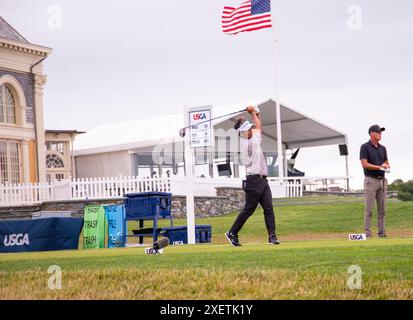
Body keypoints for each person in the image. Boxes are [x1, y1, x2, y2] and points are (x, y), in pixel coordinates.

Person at [225, 105, 280, 246]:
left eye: (250, 128)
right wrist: (254, 113)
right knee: (248, 210)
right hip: (253, 181)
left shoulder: (252, 138)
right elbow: (258, 127)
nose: (250, 130)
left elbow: (257, 126)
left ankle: (272, 236)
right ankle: (232, 233)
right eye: (247, 129)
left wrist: (256, 113)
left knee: (268, 208)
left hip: (262, 180)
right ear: (242, 133)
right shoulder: (248, 144)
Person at [360, 124, 390, 238]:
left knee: (382, 210)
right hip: (370, 181)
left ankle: (382, 233)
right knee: (369, 210)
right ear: (372, 133)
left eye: (380, 132)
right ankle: (367, 234)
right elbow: (364, 164)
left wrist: (385, 166)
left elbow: (387, 163)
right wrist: (379, 166)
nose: (380, 134)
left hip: (382, 181)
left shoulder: (383, 148)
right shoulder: (365, 147)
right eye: (378, 132)